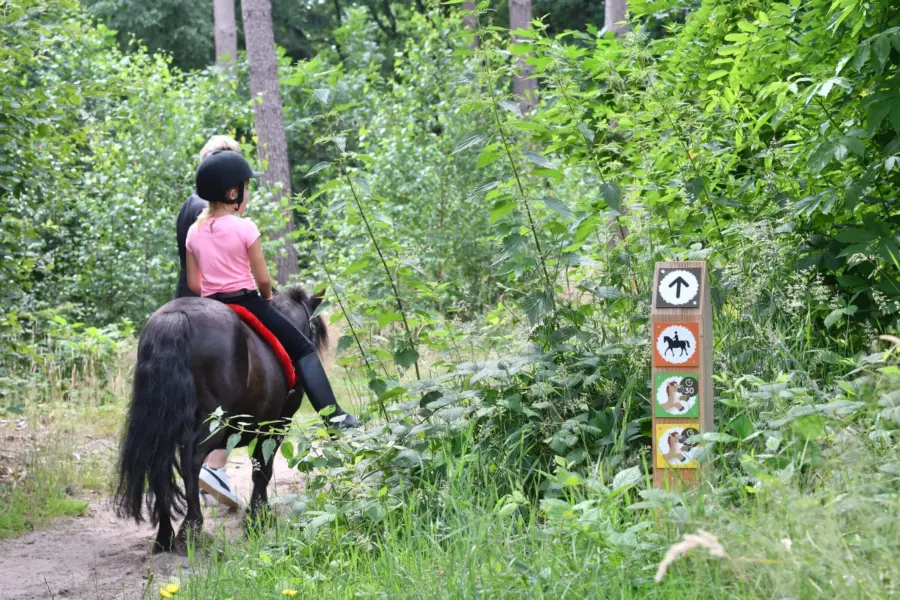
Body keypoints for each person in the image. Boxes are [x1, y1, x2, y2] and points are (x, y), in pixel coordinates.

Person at [185, 150, 358, 494]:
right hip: (246, 302)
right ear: (233, 193)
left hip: (208, 307)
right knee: (303, 348)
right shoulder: (245, 227)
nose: (247, 193)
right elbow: (263, 281)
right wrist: (265, 297)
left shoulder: (194, 230)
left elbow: (194, 283)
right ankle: (333, 416)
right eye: (246, 187)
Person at [175, 136, 243, 508]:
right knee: (236, 387)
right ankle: (215, 465)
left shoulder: (190, 205)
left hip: (182, 300)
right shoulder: (218, 210)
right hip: (215, 302)